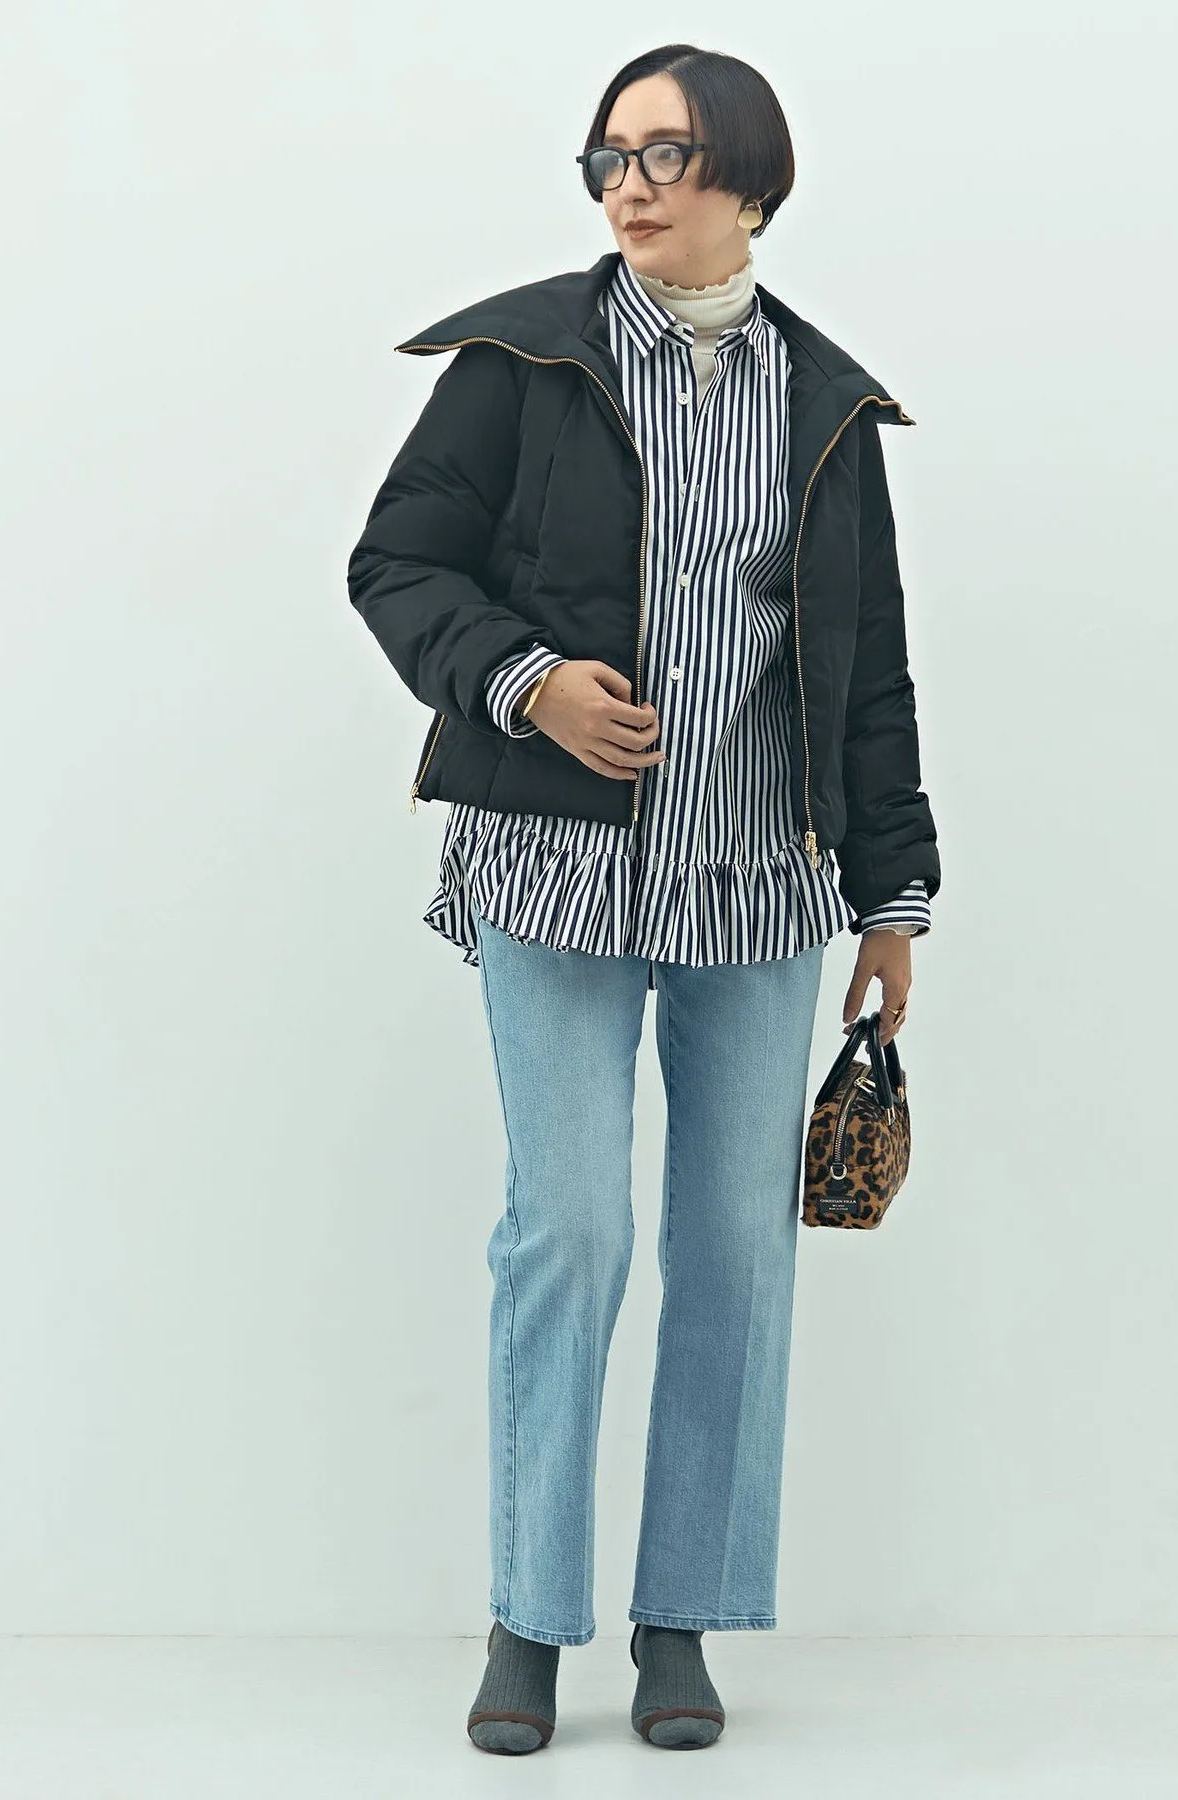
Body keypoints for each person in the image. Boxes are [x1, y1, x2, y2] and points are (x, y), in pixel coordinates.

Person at [346, 42, 941, 1755]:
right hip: (553, 869)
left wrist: (893, 895)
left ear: (750, 178)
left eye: (665, 154)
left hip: (762, 882)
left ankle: (680, 1616)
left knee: (737, 1245)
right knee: (572, 1228)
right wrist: (525, 682)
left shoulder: (827, 405)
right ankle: (530, 1616)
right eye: (609, 155)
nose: (629, 183)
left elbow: (870, 666)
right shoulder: (521, 364)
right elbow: (398, 564)